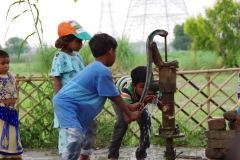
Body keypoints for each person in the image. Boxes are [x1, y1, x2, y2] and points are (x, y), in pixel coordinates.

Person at [52, 33, 143, 160]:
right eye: (115, 52)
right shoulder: (102, 71)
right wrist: (130, 112)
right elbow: (114, 97)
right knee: (76, 137)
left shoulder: (95, 67)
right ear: (111, 51)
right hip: (67, 105)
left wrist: (130, 106)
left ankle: (84, 156)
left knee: (91, 126)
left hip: (72, 105)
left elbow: (113, 95)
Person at [51, 20, 98, 160]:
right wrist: (61, 104)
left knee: (87, 129)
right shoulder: (59, 58)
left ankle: (84, 156)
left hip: (80, 103)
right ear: (67, 40)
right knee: (69, 137)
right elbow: (57, 81)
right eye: (78, 41)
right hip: (67, 104)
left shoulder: (77, 57)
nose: (81, 44)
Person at [108, 66, 163, 160]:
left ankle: (141, 154)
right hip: (119, 97)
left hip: (138, 100)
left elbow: (164, 107)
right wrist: (144, 102)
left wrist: (156, 100)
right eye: (143, 87)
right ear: (134, 85)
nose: (146, 90)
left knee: (146, 120)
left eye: (148, 86)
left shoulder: (154, 88)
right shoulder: (126, 91)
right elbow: (128, 119)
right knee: (122, 123)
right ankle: (112, 155)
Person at [0, 50, 23, 159]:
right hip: (1, 113)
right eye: (3, 63)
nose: (6, 66)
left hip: (11, 111)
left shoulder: (11, 77)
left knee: (12, 136)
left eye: (8, 63)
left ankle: (12, 156)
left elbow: (14, 92)